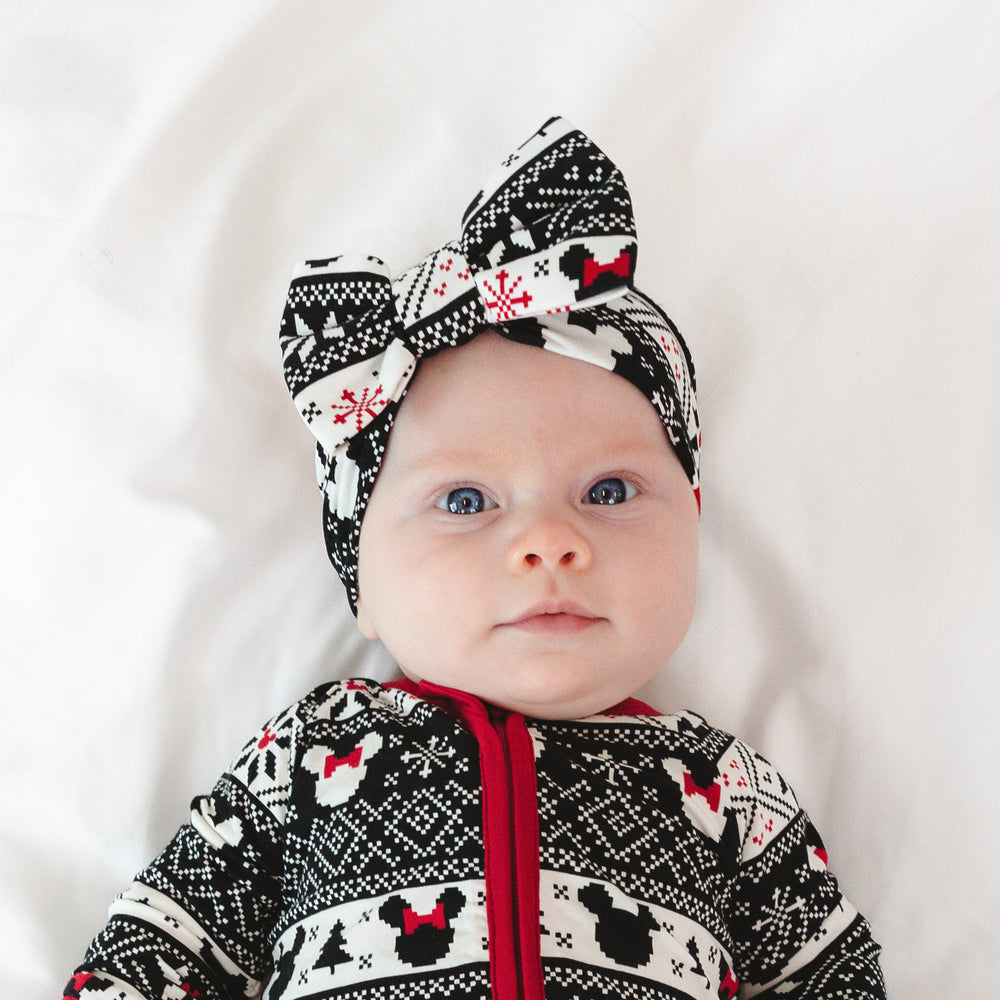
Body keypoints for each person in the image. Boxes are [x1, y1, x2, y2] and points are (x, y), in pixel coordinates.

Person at [63, 117, 885, 1000]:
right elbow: (155, 947)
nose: (548, 543)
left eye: (608, 491)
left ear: (691, 522)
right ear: (363, 588)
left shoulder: (725, 792)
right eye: (464, 503)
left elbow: (835, 978)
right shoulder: (307, 757)